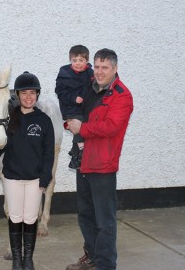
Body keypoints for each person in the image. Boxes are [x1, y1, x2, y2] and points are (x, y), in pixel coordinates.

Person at [65, 49, 134, 270]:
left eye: (105, 67)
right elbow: (76, 110)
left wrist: (82, 128)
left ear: (115, 69)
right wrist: (70, 120)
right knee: (86, 214)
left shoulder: (122, 95)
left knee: (104, 221)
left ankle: (106, 265)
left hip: (103, 165)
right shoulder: (90, 88)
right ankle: (93, 257)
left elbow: (111, 127)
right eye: (96, 67)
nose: (100, 71)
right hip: (83, 160)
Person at [1, 71, 55, 270]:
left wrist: (45, 178)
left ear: (37, 95)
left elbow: (49, 153)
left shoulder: (44, 121)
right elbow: (1, 146)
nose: (28, 97)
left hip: (35, 179)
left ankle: (28, 259)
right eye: (24, 93)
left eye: (32, 93)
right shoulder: (8, 119)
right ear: (18, 95)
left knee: (31, 218)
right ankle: (17, 259)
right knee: (15, 217)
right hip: (13, 177)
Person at [55, 45, 94, 170]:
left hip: (84, 107)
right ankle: (82, 149)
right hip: (70, 107)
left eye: (81, 60)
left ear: (87, 61)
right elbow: (59, 92)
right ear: (70, 60)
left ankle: (75, 156)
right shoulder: (64, 73)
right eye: (74, 60)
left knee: (86, 127)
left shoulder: (90, 73)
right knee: (78, 126)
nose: (77, 63)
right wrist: (73, 98)